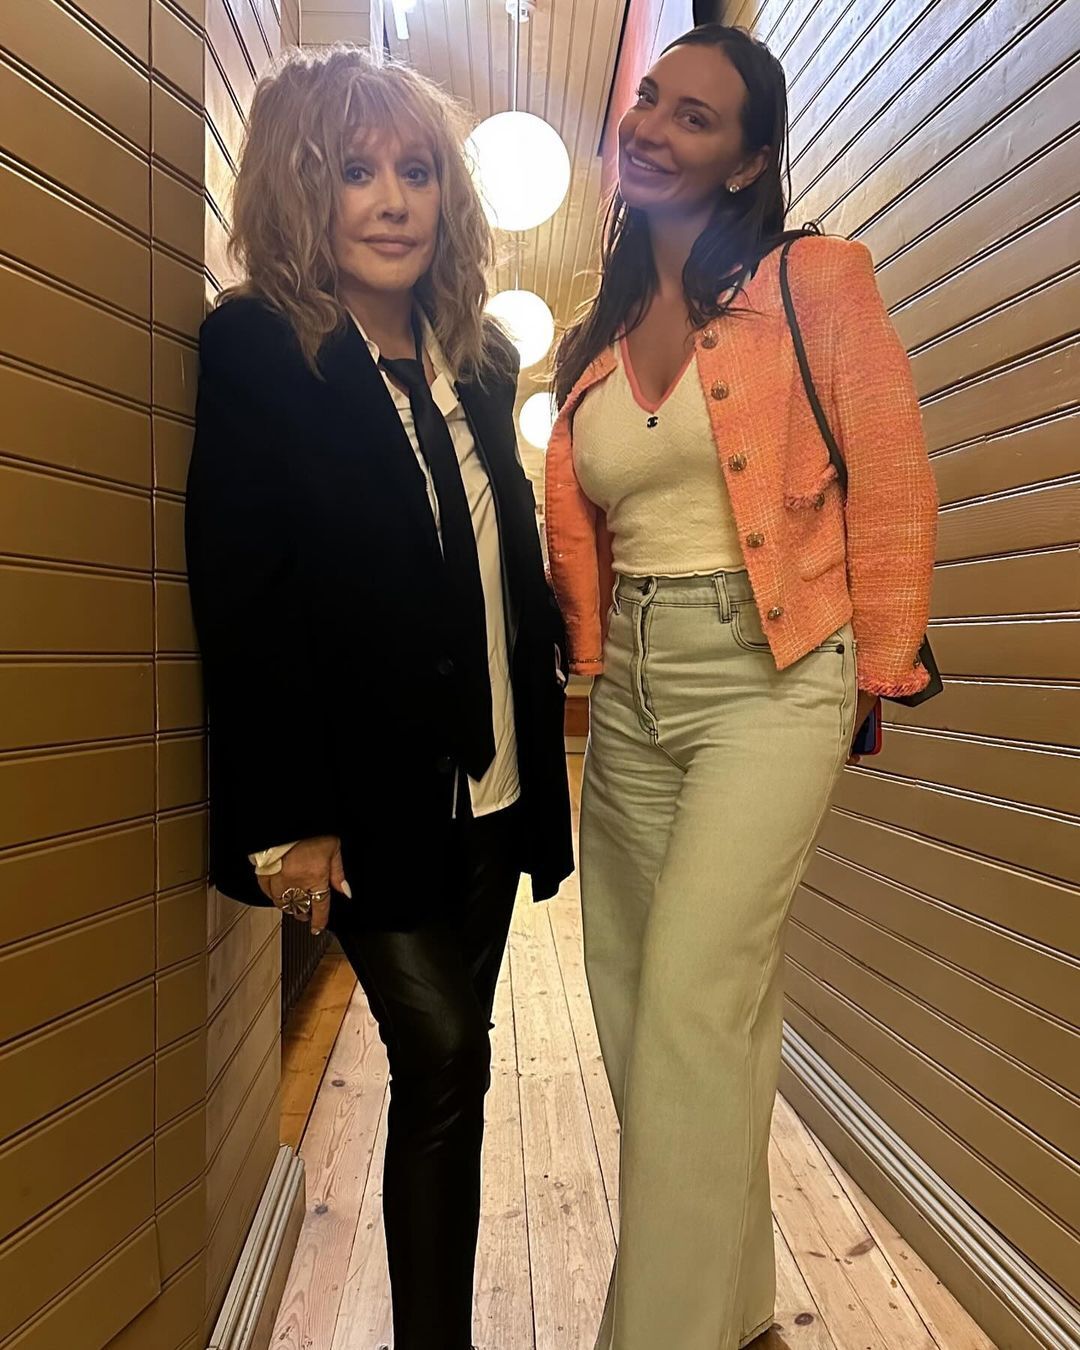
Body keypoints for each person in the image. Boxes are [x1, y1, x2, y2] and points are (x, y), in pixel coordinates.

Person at [545, 24, 937, 1350]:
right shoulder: (597, 335)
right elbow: (586, 531)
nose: (653, 125)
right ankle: (739, 1309)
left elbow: (892, 467)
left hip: (773, 675)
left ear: (749, 161)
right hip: (633, 692)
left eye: (695, 117)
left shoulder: (813, 280)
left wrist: (878, 668)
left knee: (691, 1005)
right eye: (651, 98)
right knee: (646, 1009)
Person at [185, 46, 573, 1350]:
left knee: (445, 1085)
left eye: (417, 171)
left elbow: (501, 563)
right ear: (304, 190)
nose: (395, 200)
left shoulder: (479, 361)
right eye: (357, 172)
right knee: (447, 1051)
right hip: (361, 802)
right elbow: (243, 599)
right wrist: (289, 819)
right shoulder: (259, 349)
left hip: (494, 782)